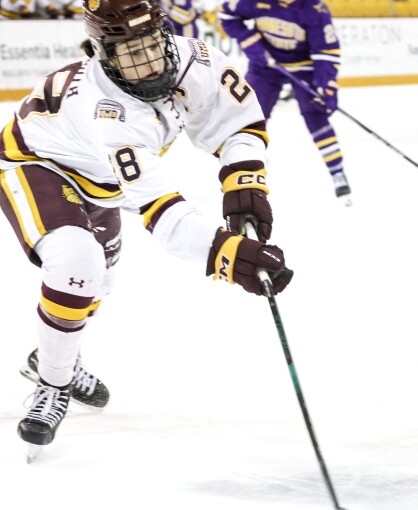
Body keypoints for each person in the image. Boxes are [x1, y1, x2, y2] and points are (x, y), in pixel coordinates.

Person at [0, 0, 292, 456]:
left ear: (165, 32)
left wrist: (244, 182)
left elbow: (241, 121)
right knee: (78, 264)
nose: (149, 63)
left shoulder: (196, 59)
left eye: (153, 44)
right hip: (35, 165)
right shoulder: (105, 111)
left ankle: (54, 352)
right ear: (102, 53)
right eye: (129, 53)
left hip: (102, 181)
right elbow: (167, 218)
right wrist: (231, 255)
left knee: (99, 282)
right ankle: (52, 383)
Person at [218, 0, 352, 205]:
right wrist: (252, 44)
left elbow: (325, 52)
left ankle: (337, 172)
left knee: (316, 116)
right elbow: (227, 16)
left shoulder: (314, 8)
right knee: (249, 115)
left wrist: (327, 86)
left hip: (304, 66)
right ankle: (243, 165)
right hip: (266, 64)